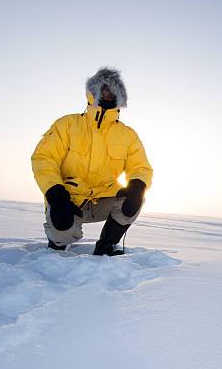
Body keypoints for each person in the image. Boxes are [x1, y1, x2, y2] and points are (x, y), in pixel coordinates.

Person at [31, 67, 153, 255]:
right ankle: (58, 246)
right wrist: (55, 193)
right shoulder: (67, 124)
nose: (107, 93)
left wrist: (137, 185)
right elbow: (44, 158)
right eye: (103, 89)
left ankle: (106, 246)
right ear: (92, 92)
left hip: (104, 198)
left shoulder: (127, 135)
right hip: (68, 198)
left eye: (112, 90)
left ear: (119, 96)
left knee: (135, 199)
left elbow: (140, 166)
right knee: (62, 228)